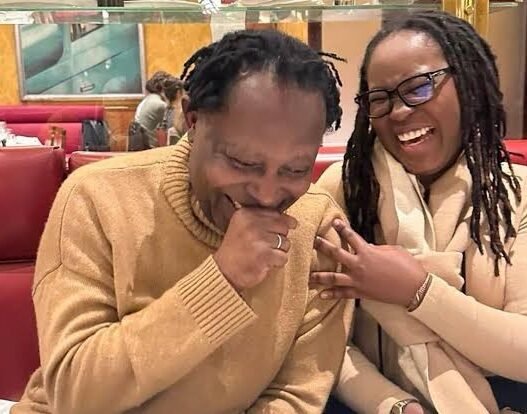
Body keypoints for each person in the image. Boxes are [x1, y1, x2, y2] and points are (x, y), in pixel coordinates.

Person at [11, 29, 353, 414]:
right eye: (242, 162)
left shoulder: (317, 227)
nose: (267, 194)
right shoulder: (97, 198)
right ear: (192, 120)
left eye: (295, 169)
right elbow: (75, 396)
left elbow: (295, 396)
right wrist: (222, 280)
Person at [314, 10, 527, 414]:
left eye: (419, 87)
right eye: (380, 98)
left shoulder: (516, 194)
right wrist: (396, 406)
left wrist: (418, 291)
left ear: (467, 84)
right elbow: (318, 336)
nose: (398, 112)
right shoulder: (342, 190)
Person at [130, 71, 178, 149]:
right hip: (149, 147)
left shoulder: (148, 98)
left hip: (139, 144)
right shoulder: (160, 104)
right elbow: (174, 126)